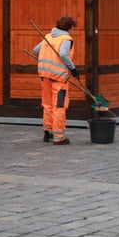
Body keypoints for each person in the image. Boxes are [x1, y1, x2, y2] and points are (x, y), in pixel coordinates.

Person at [33, 16, 79, 145]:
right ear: (70, 27)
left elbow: (35, 50)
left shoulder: (48, 36)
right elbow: (63, 54)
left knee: (47, 104)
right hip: (58, 78)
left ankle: (47, 132)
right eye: (72, 28)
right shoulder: (66, 39)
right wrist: (73, 68)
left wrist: (46, 59)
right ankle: (58, 136)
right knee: (59, 106)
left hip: (45, 75)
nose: (72, 30)